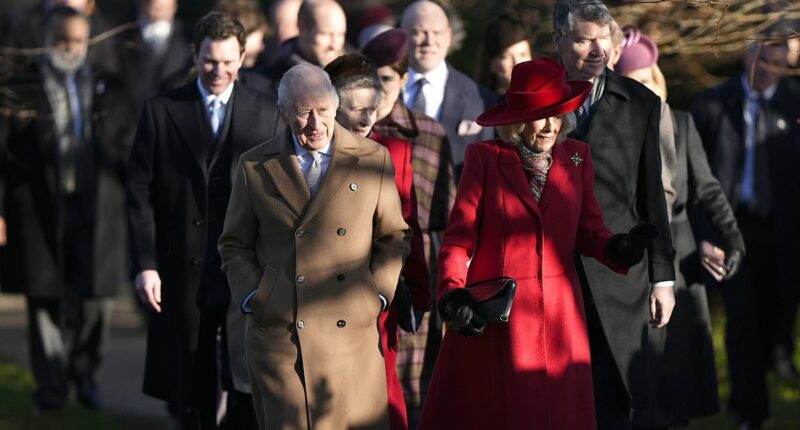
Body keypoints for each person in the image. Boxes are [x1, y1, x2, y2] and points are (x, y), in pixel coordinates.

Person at [418, 56, 658, 430]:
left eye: (557, 115)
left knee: (560, 415)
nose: (549, 126)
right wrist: (453, 294)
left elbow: (589, 231)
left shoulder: (577, 158)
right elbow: (458, 239)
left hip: (561, 315)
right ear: (517, 121)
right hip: (502, 316)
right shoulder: (485, 158)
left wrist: (620, 247)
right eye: (540, 116)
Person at [217, 63, 410, 430]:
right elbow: (234, 245)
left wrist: (377, 295)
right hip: (282, 336)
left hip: (351, 331)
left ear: (336, 107)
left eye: (323, 110)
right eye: (304, 112)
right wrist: (256, 296)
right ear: (283, 112)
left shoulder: (372, 158)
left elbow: (393, 236)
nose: (315, 123)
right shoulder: (255, 166)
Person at [127, 12, 281, 429]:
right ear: (194, 54)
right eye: (210, 61)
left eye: (228, 62)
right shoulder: (161, 111)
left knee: (245, 378)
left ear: (243, 58)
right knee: (189, 383)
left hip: (244, 269)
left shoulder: (267, 114)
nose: (218, 71)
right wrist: (145, 264)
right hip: (181, 269)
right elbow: (139, 193)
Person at [0, 6, 132, 411]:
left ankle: (85, 373)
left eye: (78, 41)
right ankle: (51, 386)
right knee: (44, 297)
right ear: (47, 39)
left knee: (98, 299)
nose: (70, 49)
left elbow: (126, 147)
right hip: (39, 207)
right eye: (62, 41)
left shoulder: (107, 87)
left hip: (98, 207)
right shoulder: (21, 87)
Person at [551, 2, 676, 428]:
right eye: (584, 40)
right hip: (553, 270)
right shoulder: (533, 99)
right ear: (559, 41)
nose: (597, 50)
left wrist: (663, 278)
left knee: (620, 399)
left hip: (621, 272)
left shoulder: (640, 103)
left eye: (604, 38)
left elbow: (652, 193)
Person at [617, 26, 746, 427]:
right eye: (633, 82)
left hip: (681, 256)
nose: (644, 89)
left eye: (647, 79)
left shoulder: (682, 124)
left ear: (657, 78)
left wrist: (731, 237)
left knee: (678, 378)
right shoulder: (616, 134)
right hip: (637, 261)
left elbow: (708, 189)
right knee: (643, 381)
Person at [692, 39, 800, 429]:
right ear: (747, 53)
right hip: (731, 228)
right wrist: (704, 234)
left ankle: (762, 380)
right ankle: (750, 412)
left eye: (778, 63)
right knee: (741, 319)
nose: (768, 70)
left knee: (775, 315)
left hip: (783, 231)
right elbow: (695, 181)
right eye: (763, 59)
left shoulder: (793, 104)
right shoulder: (712, 105)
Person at [324, 52, 431, 430]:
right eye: (356, 109)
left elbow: (408, 227)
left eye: (373, 108)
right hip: (323, 297)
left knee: (383, 397)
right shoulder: (314, 156)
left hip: (377, 297)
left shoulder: (395, 152)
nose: (367, 118)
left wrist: (418, 292)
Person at [362, 28, 457, 427]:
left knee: (415, 392)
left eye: (386, 79)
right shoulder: (347, 130)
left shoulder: (429, 133)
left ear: (404, 79)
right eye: (370, 79)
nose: (377, 89)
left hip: (417, 273)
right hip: (361, 278)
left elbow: (448, 218)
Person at [400, 0, 496, 177]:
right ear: (402, 35)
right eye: (420, 32)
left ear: (449, 36)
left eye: (437, 32)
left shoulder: (481, 99)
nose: (429, 41)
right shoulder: (381, 92)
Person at [111, 0, 192, 119]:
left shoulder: (187, 38)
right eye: (155, 7)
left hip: (173, 118)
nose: (159, 11)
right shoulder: (122, 35)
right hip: (132, 118)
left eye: (164, 7)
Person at [263, 0, 346, 84]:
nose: (334, 46)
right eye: (326, 34)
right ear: (302, 27)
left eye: (341, 34)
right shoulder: (264, 83)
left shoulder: (352, 74)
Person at [475, 13, 534, 98]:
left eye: (523, 54)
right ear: (492, 64)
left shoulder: (546, 100)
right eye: (506, 56)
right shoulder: (477, 102)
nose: (517, 63)